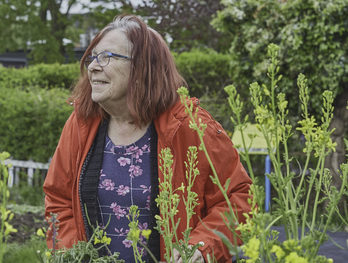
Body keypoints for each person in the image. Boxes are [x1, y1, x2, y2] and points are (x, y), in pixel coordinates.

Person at [43, 14, 252, 263]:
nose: (93, 66)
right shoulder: (81, 124)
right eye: (92, 57)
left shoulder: (192, 127)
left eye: (107, 57)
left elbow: (238, 199)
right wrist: (71, 254)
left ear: (143, 66)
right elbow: (58, 200)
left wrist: (200, 247)